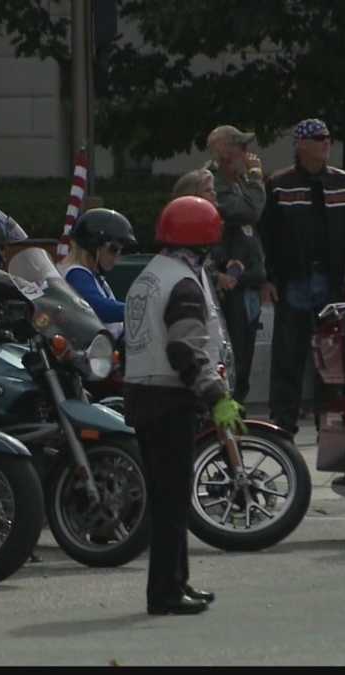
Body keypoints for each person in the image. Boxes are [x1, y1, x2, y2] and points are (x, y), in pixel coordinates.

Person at [123, 196, 243, 616]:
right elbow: (183, 348)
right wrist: (214, 395)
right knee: (171, 499)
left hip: (141, 392)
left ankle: (177, 581)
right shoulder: (185, 284)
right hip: (169, 399)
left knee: (166, 498)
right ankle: (166, 592)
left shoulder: (151, 274)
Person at [259, 118, 345, 435]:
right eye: (318, 138)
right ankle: (283, 423)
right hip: (293, 281)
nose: (326, 142)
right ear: (301, 144)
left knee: (331, 358)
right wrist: (268, 278)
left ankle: (330, 425)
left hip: (332, 283)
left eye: (328, 137)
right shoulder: (279, 184)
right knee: (288, 355)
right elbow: (265, 237)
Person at [202, 126, 269, 403]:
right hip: (230, 289)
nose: (248, 154)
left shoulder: (236, 184)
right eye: (241, 147)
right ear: (226, 153)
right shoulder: (215, 185)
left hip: (247, 284)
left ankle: (237, 414)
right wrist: (256, 179)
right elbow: (249, 211)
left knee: (244, 359)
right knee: (234, 360)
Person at [56, 208, 136, 338]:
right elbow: (98, 307)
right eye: (114, 249)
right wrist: (139, 309)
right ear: (93, 246)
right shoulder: (76, 274)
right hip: (94, 352)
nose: (117, 256)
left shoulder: (92, 275)